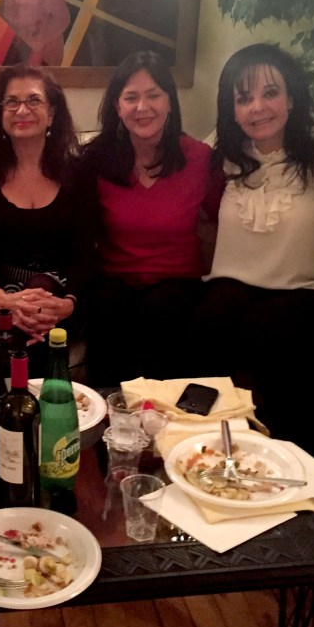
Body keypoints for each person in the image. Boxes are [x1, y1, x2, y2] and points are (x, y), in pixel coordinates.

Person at [193, 44, 314, 430]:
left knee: (268, 332)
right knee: (200, 324)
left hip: (306, 290)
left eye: (270, 93)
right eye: (243, 98)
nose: (257, 107)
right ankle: (200, 443)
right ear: (231, 109)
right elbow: (173, 173)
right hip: (230, 287)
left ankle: (284, 450)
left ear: (292, 98)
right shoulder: (224, 152)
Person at [79, 50, 220, 385]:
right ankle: (108, 419)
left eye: (153, 95)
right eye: (131, 98)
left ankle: (166, 422)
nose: (143, 108)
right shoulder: (95, 159)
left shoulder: (200, 159)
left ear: (170, 101)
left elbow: (226, 221)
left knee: (163, 309)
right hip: (115, 279)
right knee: (107, 305)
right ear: (117, 106)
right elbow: (79, 232)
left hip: (178, 283)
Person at [0, 64, 93, 373]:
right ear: (0, 113)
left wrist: (68, 304)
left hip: (62, 297)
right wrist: (5, 301)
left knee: (42, 299)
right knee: (27, 315)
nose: (22, 109)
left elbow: (86, 255)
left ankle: (14, 404)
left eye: (34, 100)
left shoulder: (78, 174)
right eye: (12, 102)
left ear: (51, 113)